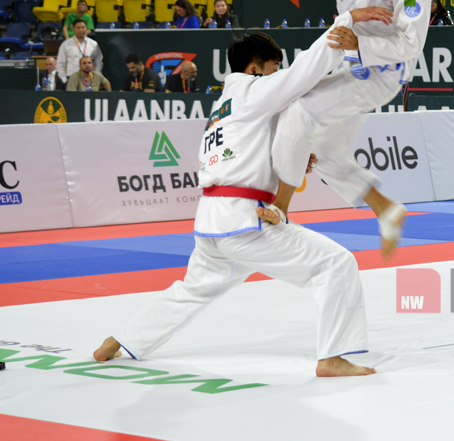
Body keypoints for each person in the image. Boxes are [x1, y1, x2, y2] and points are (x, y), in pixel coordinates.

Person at [92, 26, 384, 378]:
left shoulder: (223, 106)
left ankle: (120, 340)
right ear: (254, 69)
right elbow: (303, 74)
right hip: (244, 220)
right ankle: (332, 357)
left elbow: (248, 152)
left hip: (211, 222)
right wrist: (343, 28)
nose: (277, 76)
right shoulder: (252, 90)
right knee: (335, 264)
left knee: (193, 290)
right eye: (273, 68)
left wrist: (290, 154)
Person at [255, 0, 431, 257]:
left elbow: (411, 44)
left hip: (383, 72)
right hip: (348, 60)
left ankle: (280, 208)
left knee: (300, 109)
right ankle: (386, 209)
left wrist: (360, 44)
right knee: (323, 146)